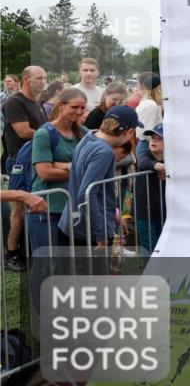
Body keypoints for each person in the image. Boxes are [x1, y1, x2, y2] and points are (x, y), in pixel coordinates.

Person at [58, 106, 142, 250]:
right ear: (129, 132)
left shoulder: (89, 136)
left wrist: (112, 212)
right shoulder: (104, 152)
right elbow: (87, 193)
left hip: (72, 223)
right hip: (88, 232)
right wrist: (101, 233)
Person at [28, 87, 88, 253]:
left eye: (82, 108)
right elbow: (44, 173)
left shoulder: (83, 133)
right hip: (48, 210)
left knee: (68, 266)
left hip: (73, 209)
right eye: (74, 107)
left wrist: (63, 165)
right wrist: (77, 169)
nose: (79, 112)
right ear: (61, 105)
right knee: (45, 267)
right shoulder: (44, 133)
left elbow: (95, 162)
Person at [2, 66, 47, 271]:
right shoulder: (14, 102)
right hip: (19, 162)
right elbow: (23, 132)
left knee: (35, 205)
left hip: (34, 159)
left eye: (45, 78)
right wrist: (50, 135)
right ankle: (11, 254)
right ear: (26, 79)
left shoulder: (36, 102)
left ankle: (26, 250)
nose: (43, 81)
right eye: (39, 78)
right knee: (19, 208)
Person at [135, 123, 166, 253]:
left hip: (165, 212)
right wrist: (160, 167)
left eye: (159, 138)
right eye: (153, 138)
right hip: (145, 212)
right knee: (149, 248)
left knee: (164, 245)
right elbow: (143, 162)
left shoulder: (172, 159)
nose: (154, 141)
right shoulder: (144, 153)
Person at [135, 75, 162, 142]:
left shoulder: (145, 102)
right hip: (148, 145)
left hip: (147, 144)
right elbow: (147, 131)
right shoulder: (151, 104)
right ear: (158, 88)